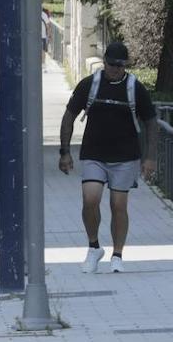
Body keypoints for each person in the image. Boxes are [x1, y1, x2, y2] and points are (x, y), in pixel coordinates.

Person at [59, 41, 158, 274]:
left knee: (118, 205)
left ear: (126, 65)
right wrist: (65, 152)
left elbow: (151, 123)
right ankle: (94, 247)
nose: (115, 69)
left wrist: (150, 157)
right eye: (112, 64)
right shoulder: (89, 85)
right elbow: (68, 117)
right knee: (90, 200)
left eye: (120, 65)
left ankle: (117, 254)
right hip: (94, 153)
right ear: (104, 62)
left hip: (125, 156)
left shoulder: (135, 88)